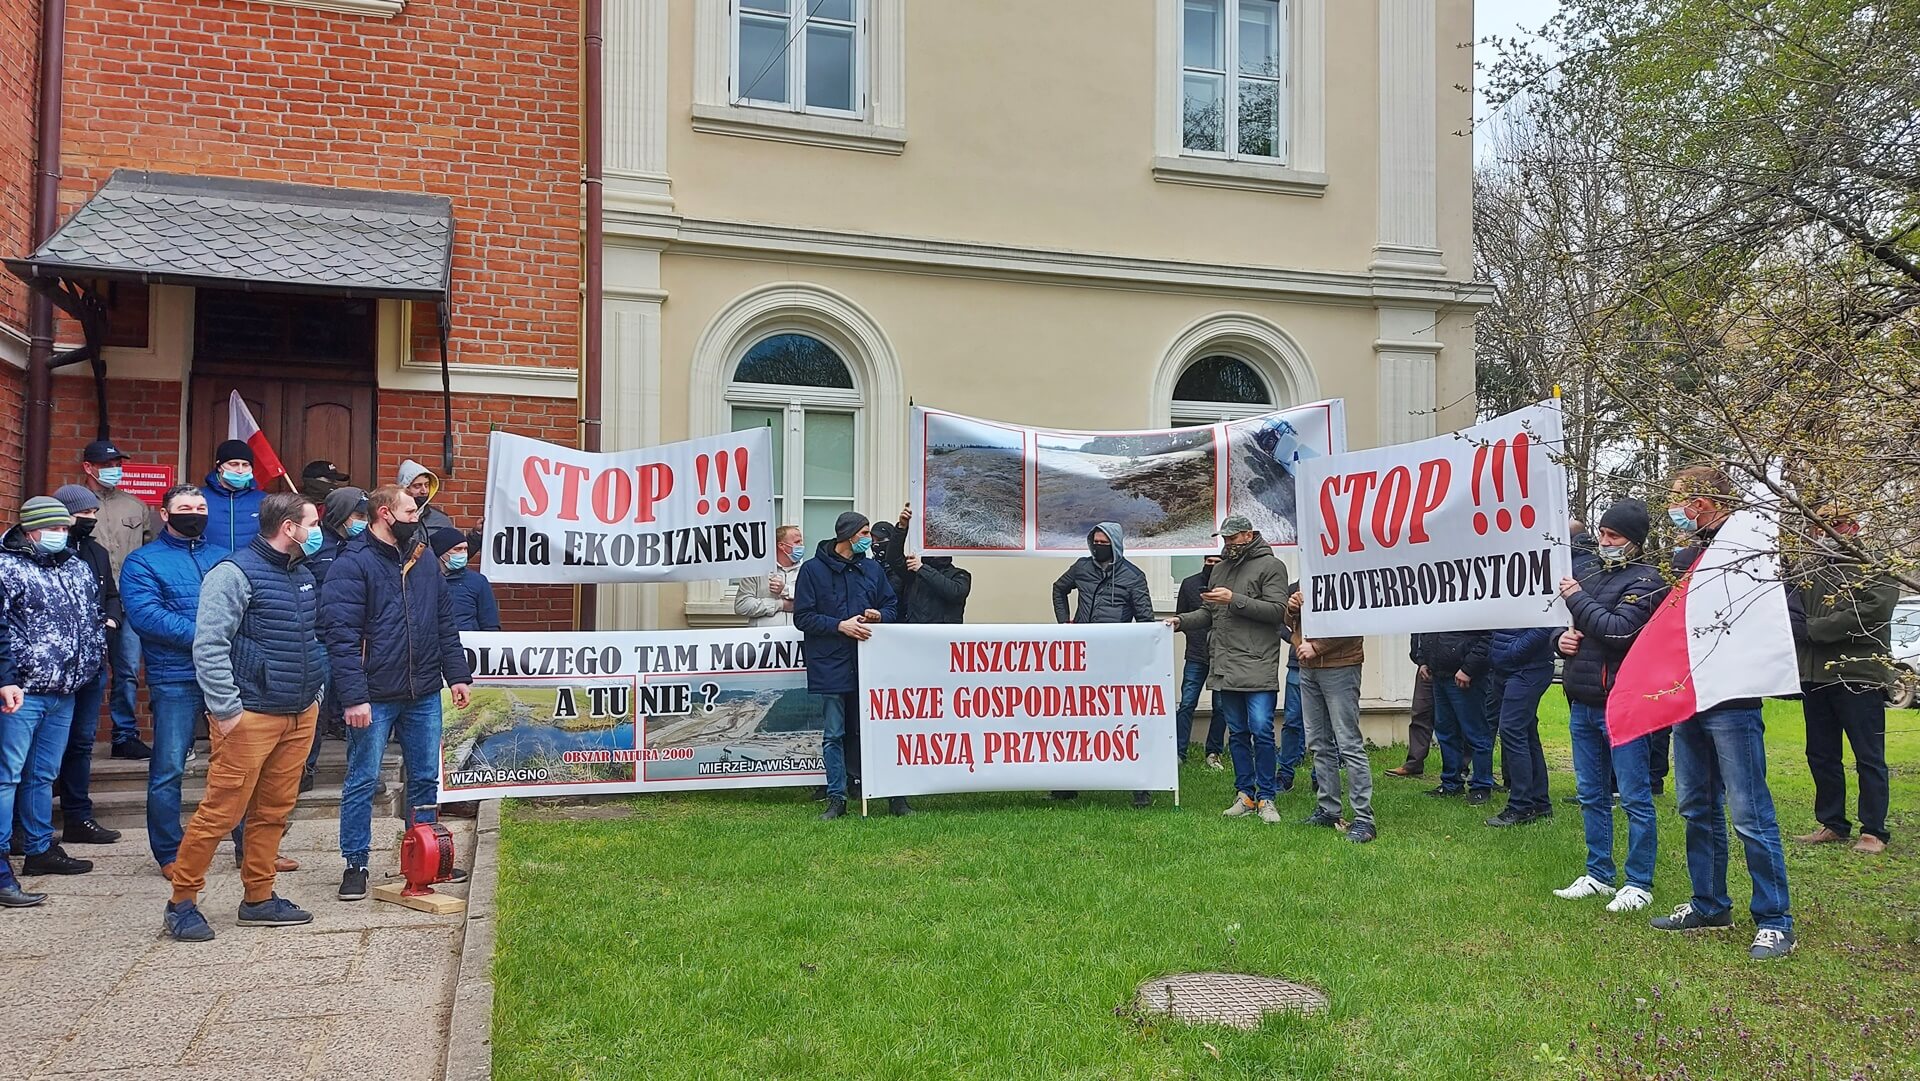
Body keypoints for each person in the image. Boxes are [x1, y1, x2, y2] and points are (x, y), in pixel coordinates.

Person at [161, 493, 328, 941]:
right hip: (249, 715)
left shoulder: (301, 573)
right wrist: (227, 711)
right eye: (312, 523)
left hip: (298, 713)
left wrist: (315, 695)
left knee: (273, 812)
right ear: (289, 528)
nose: (318, 531)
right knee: (220, 812)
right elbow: (209, 645)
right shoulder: (233, 574)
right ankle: (181, 902)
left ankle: (258, 897)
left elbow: (310, 639)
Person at [1649, 465, 1799, 960]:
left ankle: (1775, 918)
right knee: (1696, 805)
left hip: (1731, 704)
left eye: (1678, 501)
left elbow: (1774, 619)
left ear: (1702, 505)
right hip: (1688, 697)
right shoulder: (1683, 558)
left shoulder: (1751, 552)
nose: (1673, 512)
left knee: (1749, 811)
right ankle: (1709, 904)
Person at [323, 485, 473, 901]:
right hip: (374, 693)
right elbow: (341, 636)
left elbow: (444, 621)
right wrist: (354, 697)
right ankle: (356, 863)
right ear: (385, 514)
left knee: (425, 777)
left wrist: (456, 674)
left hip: (423, 690)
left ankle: (423, 857)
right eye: (411, 510)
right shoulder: (352, 563)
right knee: (363, 778)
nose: (417, 516)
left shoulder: (424, 560)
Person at [123, 485, 261, 879]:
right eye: (185, 508)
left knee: (239, 764)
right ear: (165, 515)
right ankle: (170, 853)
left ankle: (247, 848)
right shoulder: (142, 562)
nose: (195, 513)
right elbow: (147, 616)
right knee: (169, 767)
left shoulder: (225, 558)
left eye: (201, 507)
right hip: (176, 677)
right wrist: (208, 637)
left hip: (227, 675)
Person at [1552, 498, 1666, 911]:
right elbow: (1574, 628)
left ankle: (1638, 881)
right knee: (1591, 794)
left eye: (1613, 535)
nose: (1604, 541)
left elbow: (1617, 631)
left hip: (1622, 704)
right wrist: (1559, 643)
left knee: (1635, 796)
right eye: (1601, 532)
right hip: (1582, 701)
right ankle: (1598, 873)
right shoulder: (1592, 574)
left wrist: (1578, 599)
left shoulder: (1648, 581)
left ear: (1633, 542)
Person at [0, 496, 108, 903]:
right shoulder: (7, 567)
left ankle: (40, 848)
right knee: (7, 775)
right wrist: (5, 678)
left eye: (64, 528)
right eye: (54, 528)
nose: (61, 534)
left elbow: (91, 617)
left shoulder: (75, 566)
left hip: (66, 690)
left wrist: (93, 660)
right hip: (22, 691)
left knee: (43, 775)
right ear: (31, 530)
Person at [1168, 515, 1291, 823]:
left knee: (1261, 730)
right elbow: (1207, 613)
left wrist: (1233, 598)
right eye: (1224, 539)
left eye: (1232, 538)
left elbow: (1278, 612)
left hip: (1258, 663)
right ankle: (1245, 795)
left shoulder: (1271, 566)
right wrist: (1180, 621)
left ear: (1248, 535)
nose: (1227, 544)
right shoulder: (1220, 569)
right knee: (1236, 734)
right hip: (1225, 664)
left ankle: (1266, 798)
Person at [1793, 504, 1896, 855]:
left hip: (1858, 673)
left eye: (1831, 524)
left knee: (1868, 754)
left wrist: (1813, 630)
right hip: (1814, 675)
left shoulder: (1874, 563)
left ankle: (1874, 831)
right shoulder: (1808, 567)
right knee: (1821, 753)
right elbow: (1791, 608)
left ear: (1852, 524)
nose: (1822, 532)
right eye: (1817, 526)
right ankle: (1833, 823)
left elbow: (1874, 610)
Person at [792, 512, 899, 820]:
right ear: (850, 535)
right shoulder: (813, 571)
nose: (869, 538)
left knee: (876, 730)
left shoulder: (872, 569)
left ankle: (891, 795)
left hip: (869, 662)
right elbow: (804, 617)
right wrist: (840, 626)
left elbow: (892, 607)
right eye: (865, 532)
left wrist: (879, 616)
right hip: (831, 663)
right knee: (834, 734)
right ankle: (837, 797)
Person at [1051, 522, 1156, 807]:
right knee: (1074, 721)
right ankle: (1067, 782)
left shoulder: (1133, 576)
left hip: (1117, 661)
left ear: (1115, 544)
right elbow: (1059, 589)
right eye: (1094, 541)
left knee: (1123, 723)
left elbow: (1146, 621)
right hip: (1080, 658)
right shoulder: (1081, 567)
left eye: (1103, 542)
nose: (1097, 546)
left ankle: (1140, 786)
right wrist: (1065, 624)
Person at [42, 486, 123, 846]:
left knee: (81, 743)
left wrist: (112, 620)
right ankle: (32, 826)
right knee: (43, 748)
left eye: (94, 513)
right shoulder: (40, 554)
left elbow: (111, 596)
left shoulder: (97, 553)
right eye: (83, 514)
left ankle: (78, 816)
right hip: (52, 670)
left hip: (90, 664)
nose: (90, 519)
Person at [78, 439, 153, 759]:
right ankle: (77, 738)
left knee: (127, 672)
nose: (114, 471)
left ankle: (124, 735)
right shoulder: (73, 504)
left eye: (117, 466)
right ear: (88, 467)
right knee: (87, 671)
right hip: (85, 603)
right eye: (107, 466)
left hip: (127, 601)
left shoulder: (135, 506)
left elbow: (148, 552)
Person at [1290, 589, 1372, 842]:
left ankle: (1364, 820)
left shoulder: (1347, 577)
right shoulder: (1308, 576)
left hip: (1340, 666)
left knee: (1348, 744)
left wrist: (1318, 647)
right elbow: (1290, 622)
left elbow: (1355, 621)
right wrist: (1291, 607)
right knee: (1318, 742)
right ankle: (1329, 809)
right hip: (1309, 668)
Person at [299, 486, 367, 793]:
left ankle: (362, 773)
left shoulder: (366, 547)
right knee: (313, 711)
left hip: (356, 642)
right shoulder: (313, 546)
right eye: (357, 515)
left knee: (359, 711)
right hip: (319, 640)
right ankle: (304, 769)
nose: (362, 521)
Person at [1484, 624, 1557, 827]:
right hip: (1505, 666)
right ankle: (1540, 802)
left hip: (1528, 667)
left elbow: (1545, 624)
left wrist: (1512, 650)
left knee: (1512, 729)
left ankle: (1521, 805)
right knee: (1526, 732)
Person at [1409, 630, 1494, 803]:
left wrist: (1468, 668)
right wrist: (1423, 661)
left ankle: (1481, 786)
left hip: (1466, 675)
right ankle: (1451, 783)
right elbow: (1423, 631)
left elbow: (1487, 637)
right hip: (1439, 673)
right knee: (1446, 732)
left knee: (1476, 733)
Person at [1172, 554, 1224, 766]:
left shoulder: (1229, 586)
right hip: (1195, 654)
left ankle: (1213, 752)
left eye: (1216, 562)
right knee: (1186, 704)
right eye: (1208, 561)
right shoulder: (1189, 584)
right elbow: (1181, 617)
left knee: (1221, 707)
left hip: (1221, 655)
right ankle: (1178, 753)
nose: (1211, 565)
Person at [735, 525, 804, 627]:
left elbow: (815, 601)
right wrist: (779, 605)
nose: (802, 545)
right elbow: (742, 606)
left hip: (796, 638)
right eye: (797, 542)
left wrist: (785, 590)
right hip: (764, 639)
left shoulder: (806, 570)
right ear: (781, 545)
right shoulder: (757, 571)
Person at [205, 440, 267, 553]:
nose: (240, 470)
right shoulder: (199, 498)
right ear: (219, 467)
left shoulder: (265, 501)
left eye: (245, 465)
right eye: (233, 464)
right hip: (209, 567)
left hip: (250, 568)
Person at [436, 528, 501, 633]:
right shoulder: (426, 580)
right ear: (441, 552)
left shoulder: (478, 581)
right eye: (457, 549)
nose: (463, 554)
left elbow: (490, 623)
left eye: (465, 549)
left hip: (470, 645)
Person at [1384, 668, 1436, 779]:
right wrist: (1421, 660)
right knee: (1420, 714)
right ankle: (1414, 765)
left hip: (1455, 666)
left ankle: (1461, 768)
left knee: (1456, 718)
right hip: (1428, 667)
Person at [397, 459, 458, 534]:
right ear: (405, 488)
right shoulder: (390, 517)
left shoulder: (441, 520)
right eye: (417, 486)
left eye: (426, 485)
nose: (424, 491)